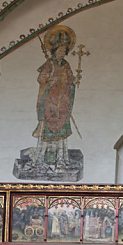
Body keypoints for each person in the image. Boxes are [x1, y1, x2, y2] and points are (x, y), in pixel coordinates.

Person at [33, 25, 78, 167]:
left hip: (62, 101)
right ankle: (41, 159)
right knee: (47, 127)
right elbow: (41, 78)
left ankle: (61, 159)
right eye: (60, 51)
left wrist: (73, 80)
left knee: (62, 130)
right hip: (51, 100)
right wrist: (49, 79)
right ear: (55, 51)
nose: (62, 54)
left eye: (64, 51)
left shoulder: (66, 65)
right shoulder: (49, 64)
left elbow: (70, 79)